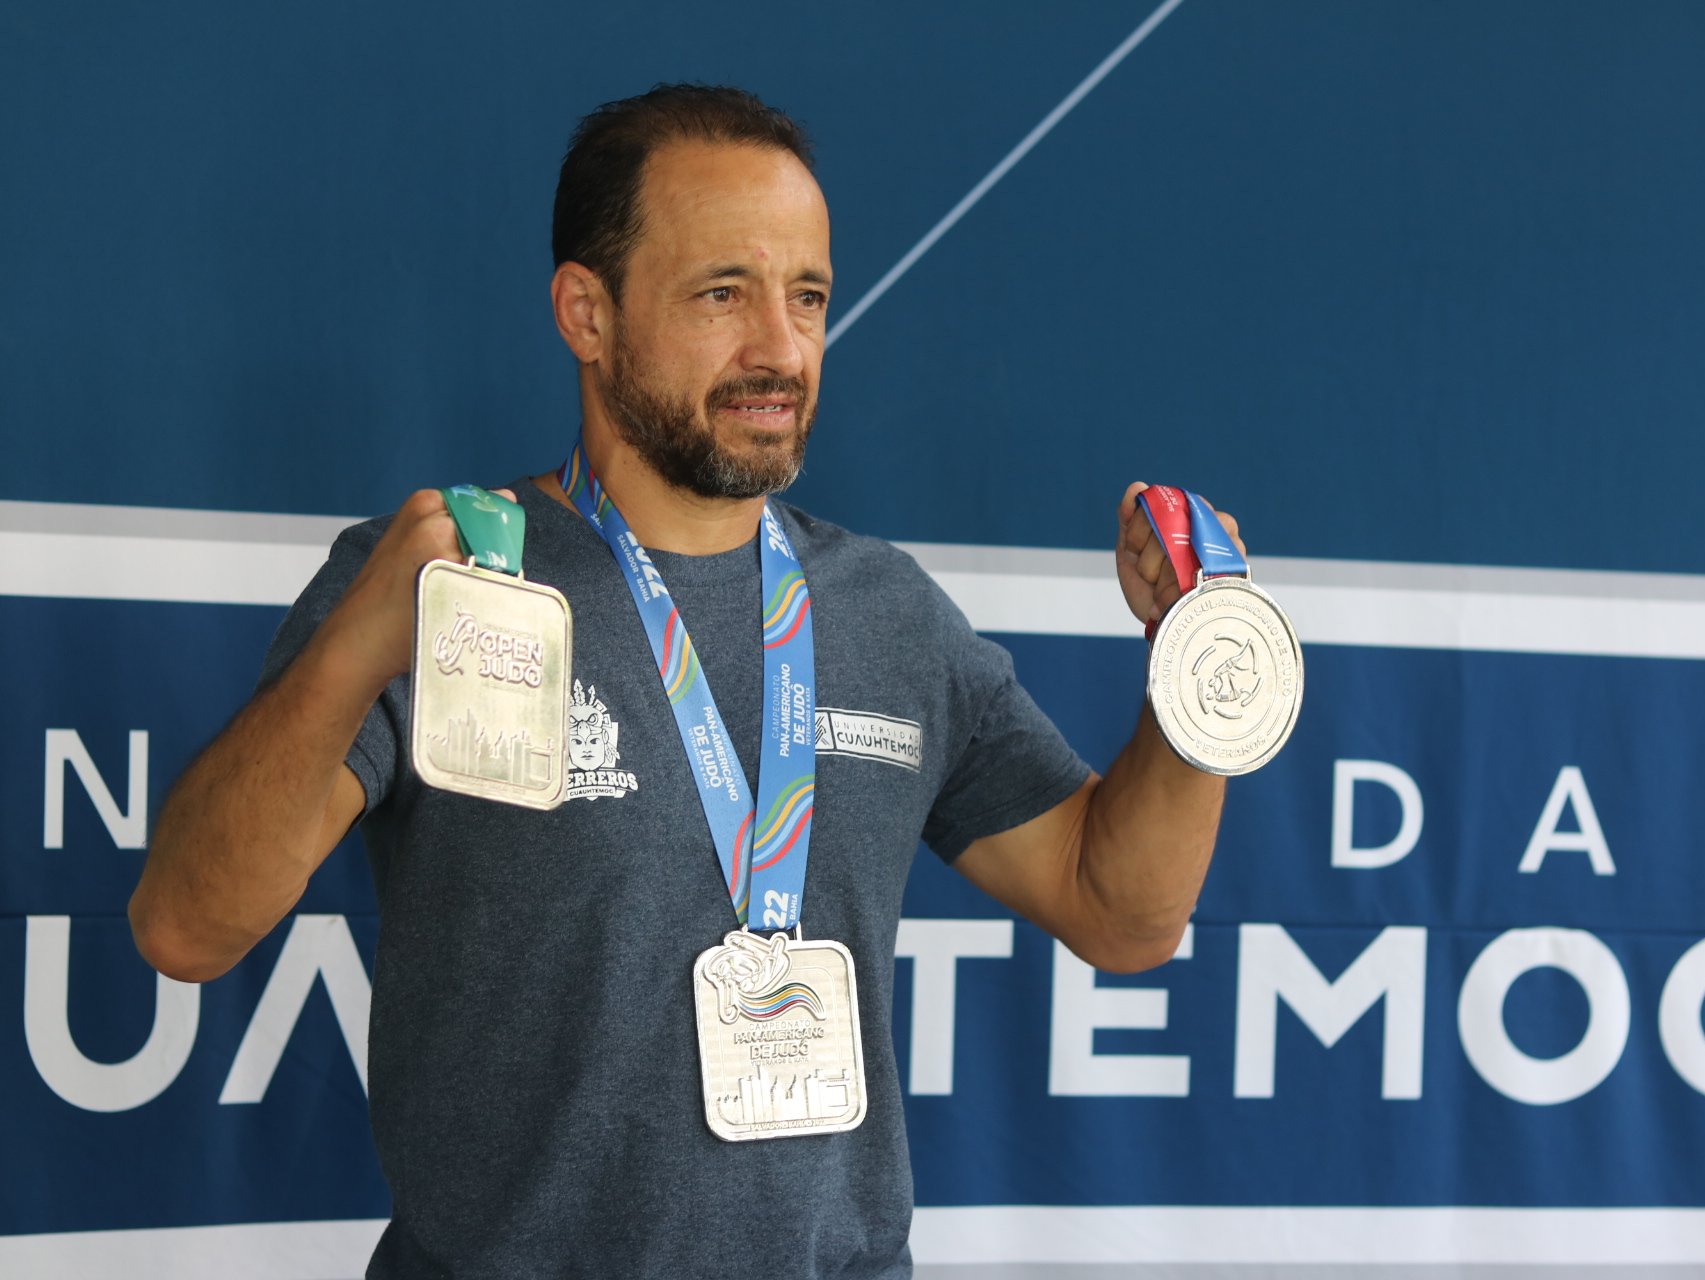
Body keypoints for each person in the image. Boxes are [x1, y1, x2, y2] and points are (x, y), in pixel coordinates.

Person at [129, 84, 1244, 1279]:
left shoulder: (890, 613)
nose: (780, 347)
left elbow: (1120, 910)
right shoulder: (446, 582)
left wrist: (1201, 666)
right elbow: (185, 925)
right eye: (724, 293)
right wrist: (356, 649)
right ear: (586, 313)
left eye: (806, 296)